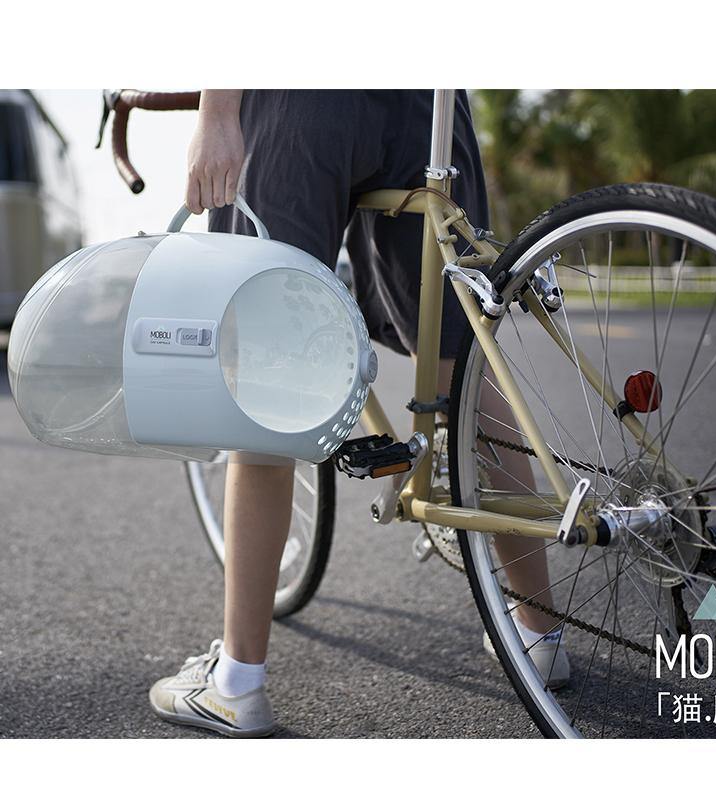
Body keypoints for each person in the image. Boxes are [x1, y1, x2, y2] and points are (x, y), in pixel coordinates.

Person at [148, 90, 569, 738]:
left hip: (301, 95)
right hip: (426, 100)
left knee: (270, 358)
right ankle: (539, 635)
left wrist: (217, 111)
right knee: (459, 366)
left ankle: (235, 682)